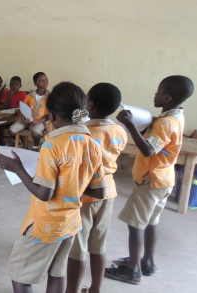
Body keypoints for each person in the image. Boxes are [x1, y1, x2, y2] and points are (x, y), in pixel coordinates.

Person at [0, 81, 106, 293]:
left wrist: (17, 168)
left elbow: (44, 193)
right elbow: (100, 191)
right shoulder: (93, 143)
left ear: (52, 116)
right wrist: (71, 189)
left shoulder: (52, 145)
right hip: (71, 222)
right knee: (57, 273)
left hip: (45, 224)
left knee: (19, 275)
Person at [105, 75, 194, 285]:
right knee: (151, 221)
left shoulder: (165, 123)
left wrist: (129, 124)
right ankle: (147, 262)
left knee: (135, 225)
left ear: (168, 98)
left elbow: (148, 150)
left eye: (158, 91)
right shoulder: (176, 117)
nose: (155, 94)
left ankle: (133, 271)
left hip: (150, 180)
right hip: (164, 179)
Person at [65, 83, 127, 293]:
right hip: (108, 191)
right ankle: (95, 289)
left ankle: (71, 290)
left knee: (78, 247)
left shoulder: (84, 132)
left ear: (89, 104)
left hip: (86, 192)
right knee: (98, 244)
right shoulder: (119, 129)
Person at [9, 72, 50, 150]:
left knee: (36, 133)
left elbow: (50, 114)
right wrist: (24, 118)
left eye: (46, 80)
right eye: (41, 80)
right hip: (27, 120)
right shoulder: (29, 96)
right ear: (35, 83)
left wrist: (38, 122)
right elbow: (24, 108)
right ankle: (19, 144)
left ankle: (35, 146)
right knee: (11, 131)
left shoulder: (50, 97)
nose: (45, 82)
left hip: (40, 121)